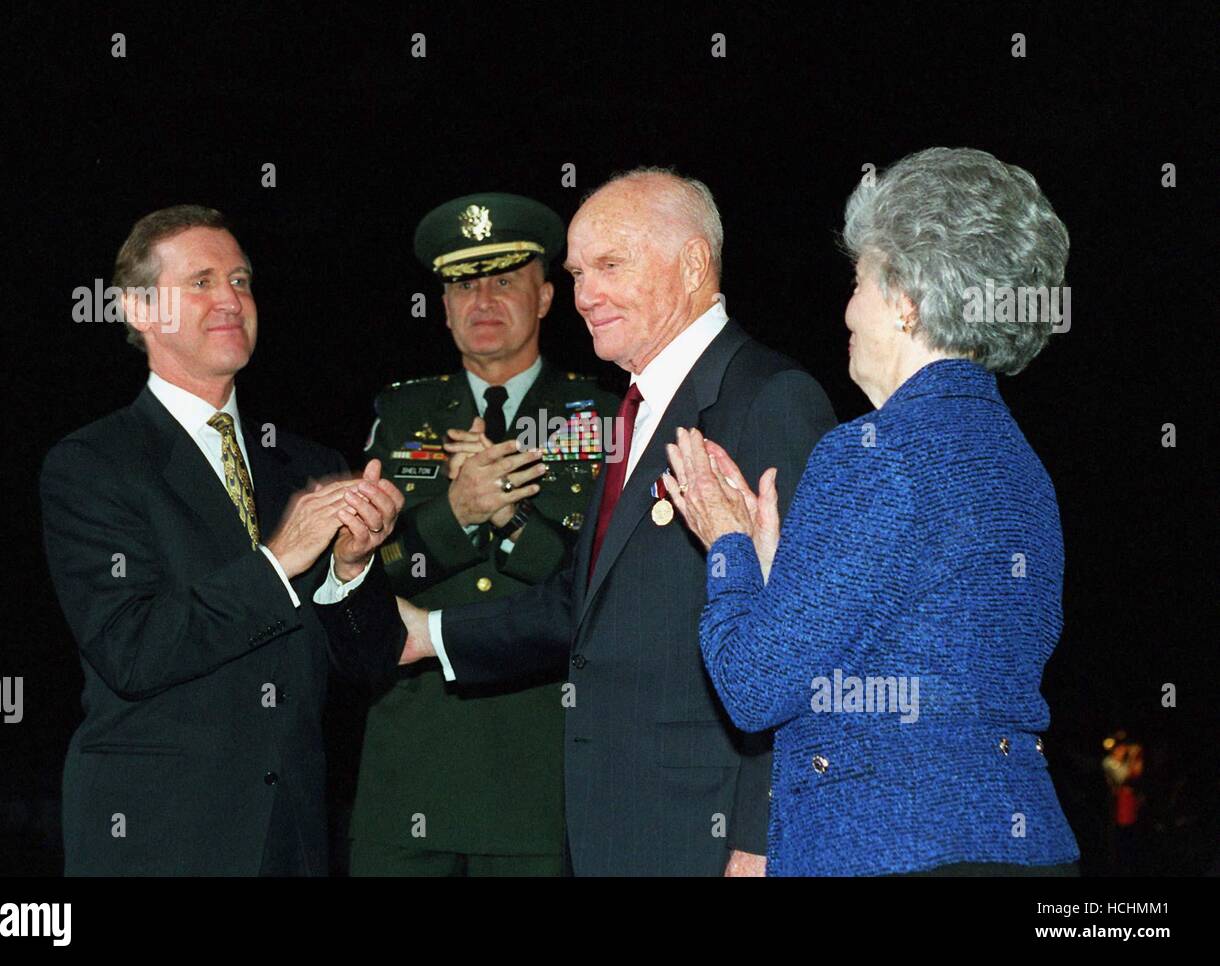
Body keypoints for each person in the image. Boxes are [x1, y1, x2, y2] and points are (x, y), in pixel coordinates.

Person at [398, 169, 836, 876]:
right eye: (576, 272)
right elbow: (586, 606)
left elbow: (808, 638)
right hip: (616, 819)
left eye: (610, 266)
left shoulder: (768, 398)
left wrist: (761, 836)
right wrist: (429, 635)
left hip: (708, 830)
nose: (585, 296)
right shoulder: (636, 408)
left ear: (694, 265)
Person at [664, 147, 1082, 875]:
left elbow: (755, 685)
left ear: (906, 298)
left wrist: (727, 544)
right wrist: (776, 569)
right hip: (1025, 844)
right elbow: (914, 635)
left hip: (890, 847)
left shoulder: (871, 449)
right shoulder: (1021, 462)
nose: (847, 309)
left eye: (859, 280)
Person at [41, 205, 405, 875]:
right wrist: (280, 560)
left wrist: (347, 571)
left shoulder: (304, 464)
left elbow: (369, 663)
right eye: (201, 282)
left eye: (240, 280)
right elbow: (134, 651)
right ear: (139, 311)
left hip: (290, 838)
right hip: (155, 837)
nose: (231, 300)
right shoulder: (94, 463)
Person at [349, 193, 618, 876]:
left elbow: (599, 583)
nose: (483, 300)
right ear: (442, 308)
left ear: (548, 296)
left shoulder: (605, 415)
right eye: (464, 285)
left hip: (537, 758)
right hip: (413, 756)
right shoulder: (402, 411)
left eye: (504, 280)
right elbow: (367, 572)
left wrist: (510, 517)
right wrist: (457, 511)